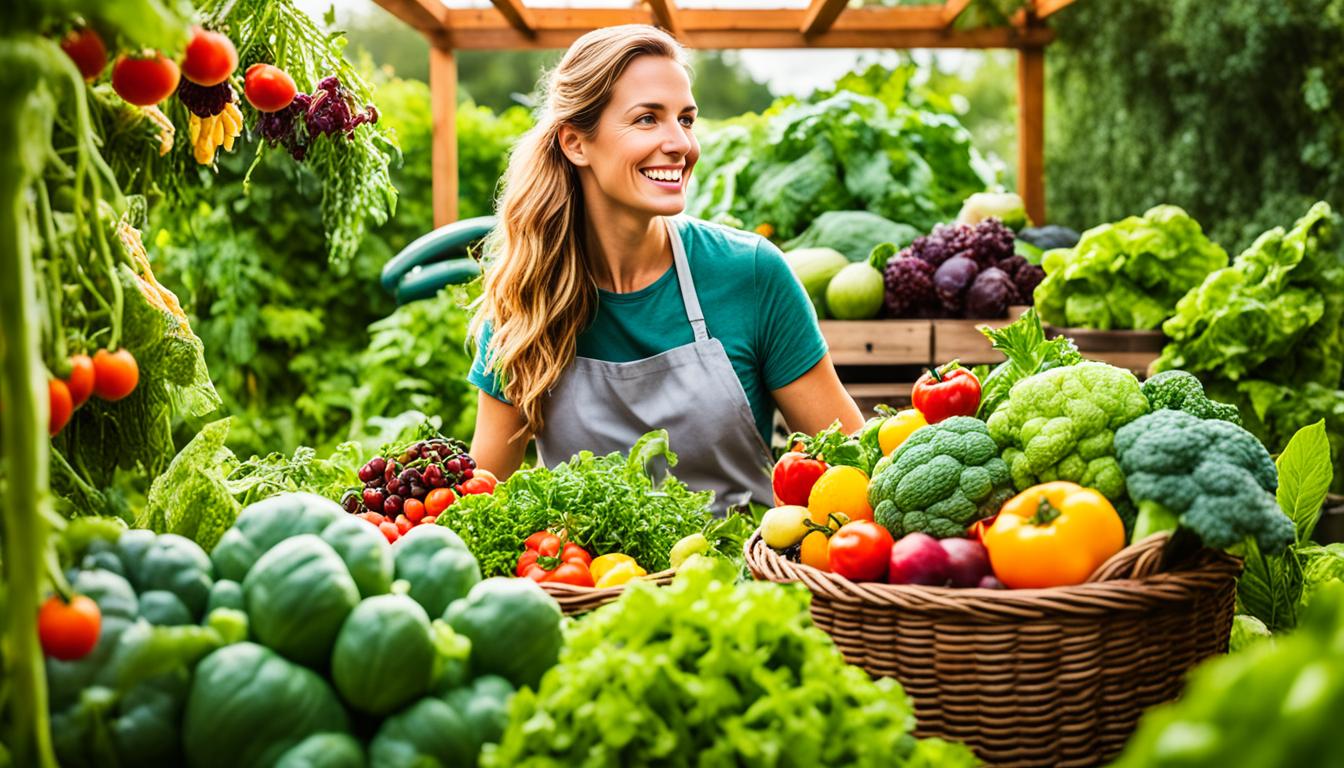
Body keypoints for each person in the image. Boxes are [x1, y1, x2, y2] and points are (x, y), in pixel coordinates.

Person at [467, 24, 862, 509]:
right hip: (588, 582)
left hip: (741, 579)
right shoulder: (527, 294)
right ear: (576, 143)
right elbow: (483, 495)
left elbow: (851, 463)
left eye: (686, 119)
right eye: (647, 119)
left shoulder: (751, 274)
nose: (680, 143)